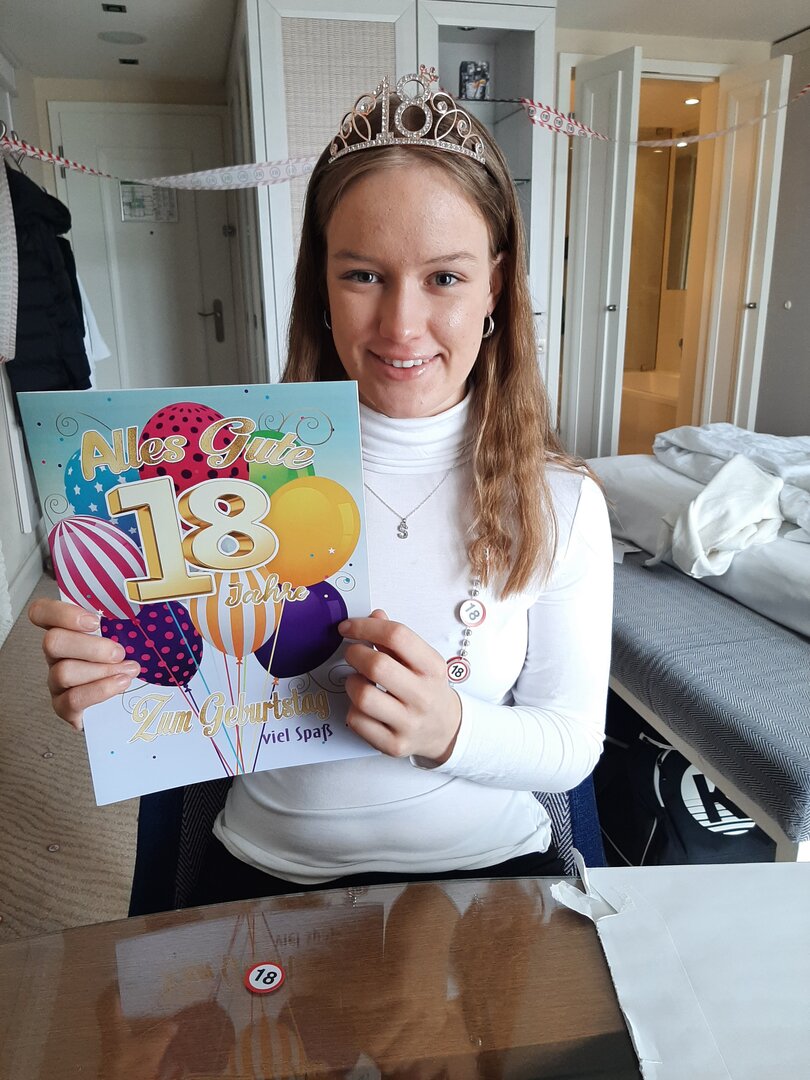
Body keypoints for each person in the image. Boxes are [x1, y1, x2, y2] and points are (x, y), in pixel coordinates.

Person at [29, 70, 613, 905]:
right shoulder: (219, 479)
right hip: (269, 877)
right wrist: (106, 686)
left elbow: (571, 742)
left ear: (495, 283)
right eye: (364, 275)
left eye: (445, 278)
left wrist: (450, 728)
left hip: (492, 875)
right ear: (321, 285)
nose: (401, 325)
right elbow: (173, 694)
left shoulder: (561, 503)